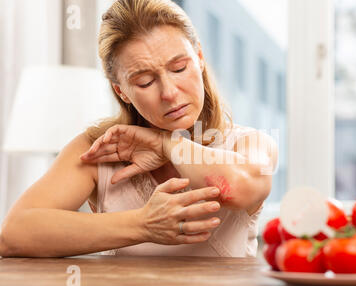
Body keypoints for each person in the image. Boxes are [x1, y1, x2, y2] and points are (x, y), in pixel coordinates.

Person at [0, 0, 277, 258]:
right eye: (145, 82)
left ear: (200, 58)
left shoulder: (251, 143)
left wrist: (167, 144)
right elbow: (13, 235)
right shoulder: (100, 149)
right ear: (121, 92)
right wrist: (143, 224)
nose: (169, 92)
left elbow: (239, 188)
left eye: (179, 68)